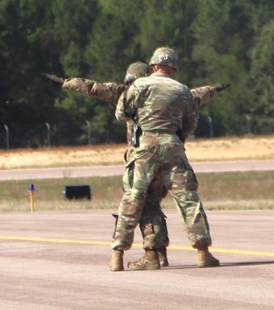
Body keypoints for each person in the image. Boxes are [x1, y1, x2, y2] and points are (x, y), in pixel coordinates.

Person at [48, 63, 228, 269]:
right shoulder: (166, 92)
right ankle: (160, 254)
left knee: (140, 204)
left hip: (142, 157)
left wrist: (66, 83)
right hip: (170, 154)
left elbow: (95, 88)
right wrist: (214, 90)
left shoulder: (126, 94)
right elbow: (197, 96)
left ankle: (140, 254)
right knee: (171, 203)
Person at [109, 47, 219, 272]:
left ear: (153, 66)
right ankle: (203, 252)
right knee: (187, 198)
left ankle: (117, 256)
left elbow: (121, 113)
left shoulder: (139, 86)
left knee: (133, 198)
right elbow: (190, 124)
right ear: (173, 68)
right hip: (172, 145)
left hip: (145, 147)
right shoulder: (183, 90)